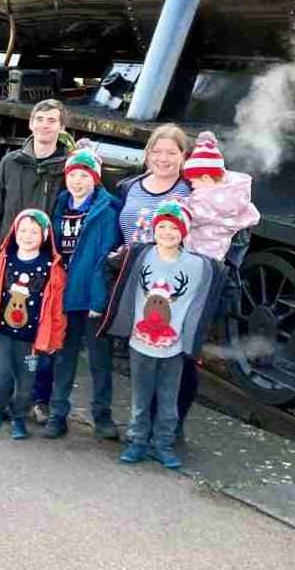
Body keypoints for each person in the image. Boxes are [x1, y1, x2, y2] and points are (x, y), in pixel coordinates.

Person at [101, 201, 224, 469]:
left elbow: (214, 283)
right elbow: (111, 267)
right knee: (141, 398)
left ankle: (163, 444)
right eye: (162, 226)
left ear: (184, 232)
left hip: (174, 346)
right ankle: (137, 441)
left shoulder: (197, 266)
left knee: (168, 400)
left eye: (174, 227)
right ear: (154, 229)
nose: (167, 232)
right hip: (139, 342)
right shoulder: (139, 256)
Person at [0, 99, 69, 423]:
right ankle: (0, 402)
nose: (46, 125)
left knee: (41, 337)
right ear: (31, 124)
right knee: (6, 335)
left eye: (52, 120)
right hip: (12, 264)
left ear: (61, 127)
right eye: (40, 119)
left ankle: (35, 400)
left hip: (47, 268)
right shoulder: (11, 163)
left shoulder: (67, 166)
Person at [112, 123, 197, 436]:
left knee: (177, 356)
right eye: (157, 151)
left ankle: (171, 427)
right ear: (147, 154)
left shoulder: (192, 193)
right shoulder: (129, 186)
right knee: (142, 354)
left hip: (172, 287)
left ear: (183, 156)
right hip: (135, 280)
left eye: (171, 152)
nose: (163, 158)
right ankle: (141, 426)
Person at [43, 142, 120, 440]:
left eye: (85, 176)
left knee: (100, 360)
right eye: (73, 175)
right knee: (64, 357)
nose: (78, 181)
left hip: (92, 297)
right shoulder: (59, 206)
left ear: (96, 179)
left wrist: (99, 298)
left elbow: (105, 257)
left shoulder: (106, 212)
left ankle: (102, 416)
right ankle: (57, 413)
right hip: (64, 295)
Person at [0, 209, 67, 440]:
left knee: (27, 381)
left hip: (32, 338)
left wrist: (54, 337)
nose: (27, 236)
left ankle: (19, 416)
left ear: (45, 235)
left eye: (34, 232)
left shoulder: (52, 269)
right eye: (23, 230)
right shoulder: (4, 262)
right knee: (2, 374)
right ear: (15, 232)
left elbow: (57, 308)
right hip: (4, 333)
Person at [181, 131, 260, 262]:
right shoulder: (234, 192)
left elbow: (191, 216)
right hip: (221, 249)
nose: (193, 186)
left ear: (206, 178)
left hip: (201, 252)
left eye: (194, 181)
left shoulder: (205, 199)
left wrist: (177, 203)